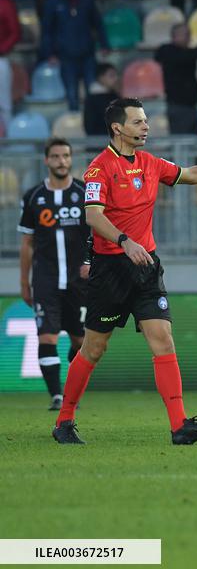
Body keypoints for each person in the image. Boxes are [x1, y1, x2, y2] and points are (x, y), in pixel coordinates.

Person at [51, 97, 197, 444]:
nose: (146, 127)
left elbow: (191, 174)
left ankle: (179, 426)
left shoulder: (150, 163)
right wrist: (125, 241)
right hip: (111, 269)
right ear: (117, 128)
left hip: (146, 267)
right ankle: (64, 421)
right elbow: (93, 215)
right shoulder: (98, 169)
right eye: (138, 122)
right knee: (94, 348)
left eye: (145, 121)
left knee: (163, 339)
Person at [19, 138, 90, 410]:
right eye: (56, 156)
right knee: (46, 336)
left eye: (66, 156)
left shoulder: (85, 193)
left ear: (71, 160)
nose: (62, 161)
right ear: (47, 161)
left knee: (81, 341)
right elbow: (27, 244)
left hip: (79, 279)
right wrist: (24, 282)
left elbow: (97, 235)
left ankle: (71, 392)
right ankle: (57, 396)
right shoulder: (34, 197)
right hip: (46, 279)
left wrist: (91, 264)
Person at [39, 0, 109, 112]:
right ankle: (75, 125)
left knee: (93, 93)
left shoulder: (85, 0)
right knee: (72, 95)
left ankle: (94, 125)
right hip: (66, 57)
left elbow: (97, 24)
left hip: (87, 54)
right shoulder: (52, 3)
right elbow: (47, 31)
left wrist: (104, 44)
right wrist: (50, 53)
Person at [155, 22, 197, 135]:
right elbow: (191, 55)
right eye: (186, 34)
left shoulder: (179, 52)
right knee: (182, 143)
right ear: (175, 36)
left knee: (193, 145)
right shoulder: (169, 52)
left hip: (191, 106)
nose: (189, 38)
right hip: (179, 106)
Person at [0, 0, 20, 129]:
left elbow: (15, 32)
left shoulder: (5, 4)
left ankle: (6, 141)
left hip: (0, 59)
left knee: (4, 103)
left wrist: (2, 49)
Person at [83, 62, 119, 135]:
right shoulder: (92, 99)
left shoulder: (115, 96)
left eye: (116, 75)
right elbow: (90, 127)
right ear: (101, 78)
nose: (116, 79)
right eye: (111, 76)